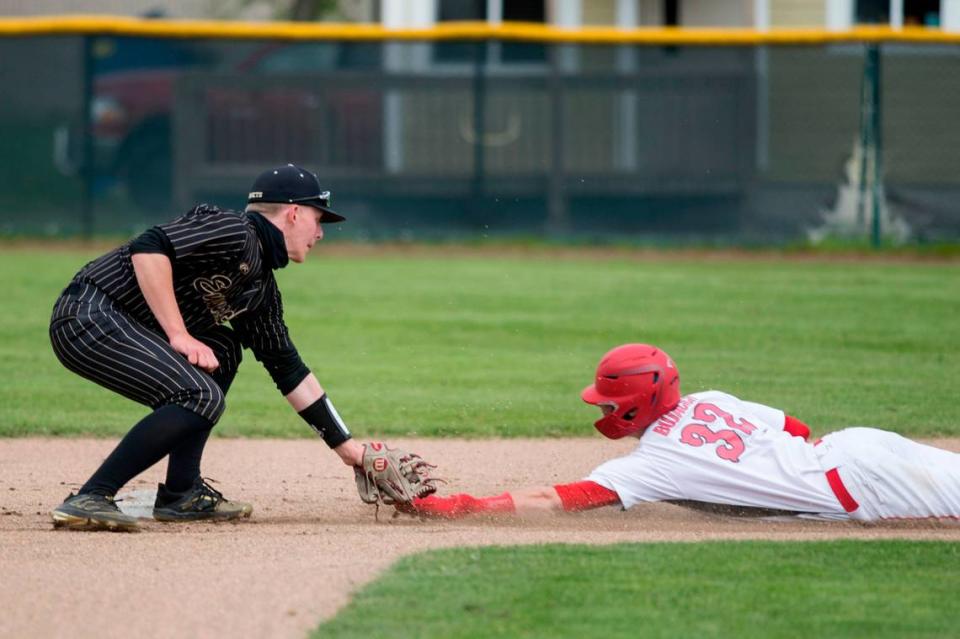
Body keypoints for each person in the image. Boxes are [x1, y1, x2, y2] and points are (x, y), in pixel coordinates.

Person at [50, 164, 381, 531]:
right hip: (90, 314)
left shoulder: (259, 289)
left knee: (222, 350)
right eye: (318, 220)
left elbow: (287, 368)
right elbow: (148, 247)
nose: (320, 233)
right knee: (199, 394)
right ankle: (91, 496)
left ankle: (181, 492)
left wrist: (350, 451)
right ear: (293, 213)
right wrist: (178, 334)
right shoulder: (234, 230)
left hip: (121, 325)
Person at [406, 344, 960, 522]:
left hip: (861, 484)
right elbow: (797, 429)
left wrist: (456, 506)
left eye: (610, 400)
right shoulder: (709, 400)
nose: (603, 409)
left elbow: (555, 499)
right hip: (855, 446)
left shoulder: (654, 464)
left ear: (636, 403)